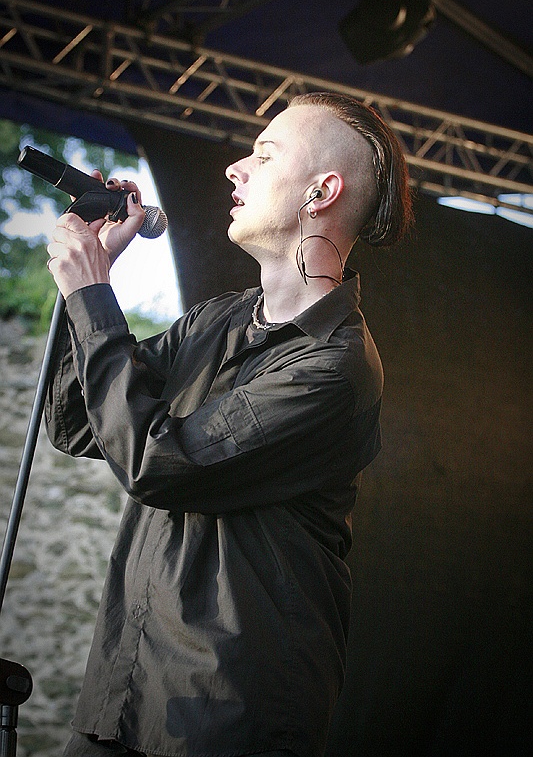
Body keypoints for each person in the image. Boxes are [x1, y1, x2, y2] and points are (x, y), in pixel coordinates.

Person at [45, 92, 413, 757]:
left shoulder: (333, 366)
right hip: (122, 697)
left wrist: (92, 296)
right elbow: (78, 424)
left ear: (322, 191)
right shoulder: (215, 319)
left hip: (221, 718)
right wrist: (91, 281)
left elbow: (158, 465)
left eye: (265, 154)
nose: (234, 169)